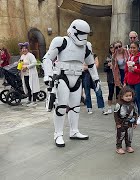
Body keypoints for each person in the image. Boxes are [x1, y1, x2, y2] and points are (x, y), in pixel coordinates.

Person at [42, 19, 101, 147]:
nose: (83, 37)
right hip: (62, 77)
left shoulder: (86, 46)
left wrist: (96, 79)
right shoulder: (61, 41)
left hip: (77, 77)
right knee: (61, 106)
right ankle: (58, 134)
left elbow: (91, 64)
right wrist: (48, 75)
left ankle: (74, 131)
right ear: (73, 30)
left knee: (75, 107)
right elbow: (47, 58)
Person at [124, 41, 140, 125]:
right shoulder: (129, 58)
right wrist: (125, 81)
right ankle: (133, 115)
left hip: (138, 82)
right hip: (130, 82)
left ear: (138, 48)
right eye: (131, 48)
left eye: (134, 47)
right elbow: (126, 71)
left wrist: (135, 70)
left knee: (138, 99)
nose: (132, 49)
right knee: (131, 99)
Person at [114, 86, 137, 154]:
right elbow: (115, 114)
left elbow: (135, 114)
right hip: (121, 123)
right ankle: (119, 147)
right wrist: (117, 123)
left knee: (129, 135)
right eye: (126, 96)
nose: (128, 97)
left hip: (130, 123)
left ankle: (128, 146)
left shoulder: (133, 105)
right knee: (120, 135)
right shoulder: (119, 105)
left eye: (130, 95)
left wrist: (135, 122)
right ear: (121, 96)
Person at [18, 42, 40, 107]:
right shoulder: (22, 56)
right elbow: (21, 62)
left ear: (27, 49)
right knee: (28, 87)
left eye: (25, 48)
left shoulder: (30, 55)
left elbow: (35, 63)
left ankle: (34, 101)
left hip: (31, 74)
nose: (24, 50)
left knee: (33, 86)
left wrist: (27, 67)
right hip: (25, 74)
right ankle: (29, 99)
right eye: (22, 49)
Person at [104, 43, 119, 114]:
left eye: (114, 47)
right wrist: (108, 65)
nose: (112, 49)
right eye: (111, 48)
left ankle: (117, 107)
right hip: (110, 77)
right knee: (111, 92)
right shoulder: (108, 57)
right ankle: (109, 108)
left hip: (118, 77)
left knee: (118, 93)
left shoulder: (119, 56)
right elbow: (104, 68)